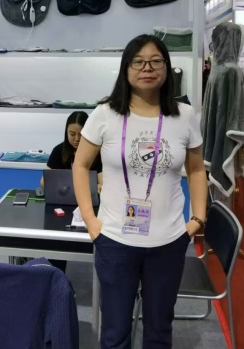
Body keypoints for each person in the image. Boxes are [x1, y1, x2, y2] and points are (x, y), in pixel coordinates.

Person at [72, 34, 208, 348]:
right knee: (115, 332)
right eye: (139, 62)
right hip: (115, 240)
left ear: (167, 68)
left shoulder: (184, 115)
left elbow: (197, 169)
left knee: (159, 331)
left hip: (169, 241)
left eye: (156, 61)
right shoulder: (105, 114)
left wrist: (197, 219)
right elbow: (80, 165)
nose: (147, 68)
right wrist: (91, 222)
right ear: (126, 68)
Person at [39, 111, 103, 273]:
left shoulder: (96, 153)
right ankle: (58, 277)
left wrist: (98, 186)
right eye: (72, 134)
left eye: (81, 134)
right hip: (62, 205)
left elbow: (102, 183)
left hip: (89, 207)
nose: (76, 139)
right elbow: (43, 182)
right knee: (56, 241)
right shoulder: (58, 151)